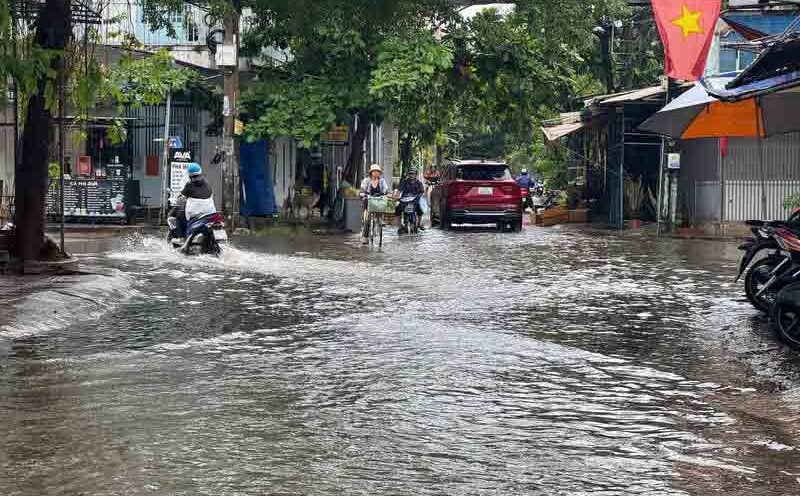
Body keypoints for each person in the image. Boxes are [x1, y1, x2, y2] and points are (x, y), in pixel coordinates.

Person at [170, 163, 216, 240]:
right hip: (210, 214)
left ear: (189, 174)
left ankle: (181, 238)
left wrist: (177, 200)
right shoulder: (208, 184)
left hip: (196, 214)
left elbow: (181, 199)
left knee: (179, 215)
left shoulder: (189, 185)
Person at [359, 164, 389, 242]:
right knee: (367, 219)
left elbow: (386, 190)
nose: (376, 173)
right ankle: (365, 237)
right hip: (368, 201)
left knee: (380, 213)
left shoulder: (382, 181)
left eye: (378, 172)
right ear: (371, 172)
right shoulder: (366, 180)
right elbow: (362, 189)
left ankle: (379, 224)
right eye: (375, 171)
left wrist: (388, 194)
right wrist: (362, 193)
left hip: (379, 201)